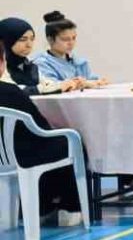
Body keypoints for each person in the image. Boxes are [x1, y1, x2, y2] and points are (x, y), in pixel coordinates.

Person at [0, 51, 85, 226]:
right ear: (2, 62)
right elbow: (40, 125)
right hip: (22, 155)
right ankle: (70, 208)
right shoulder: (11, 92)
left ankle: (42, 207)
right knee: (69, 142)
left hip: (4, 157)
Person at [33, 12, 108, 87]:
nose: (71, 43)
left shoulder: (80, 62)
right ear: (50, 40)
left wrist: (99, 82)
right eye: (65, 39)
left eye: (74, 38)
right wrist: (82, 83)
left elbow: (92, 80)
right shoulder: (41, 63)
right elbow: (51, 87)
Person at [2, 19, 64, 94]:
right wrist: (43, 89)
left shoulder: (29, 66)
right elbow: (11, 90)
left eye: (32, 39)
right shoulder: (2, 66)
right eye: (22, 39)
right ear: (6, 40)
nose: (29, 45)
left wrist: (67, 84)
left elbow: (47, 84)